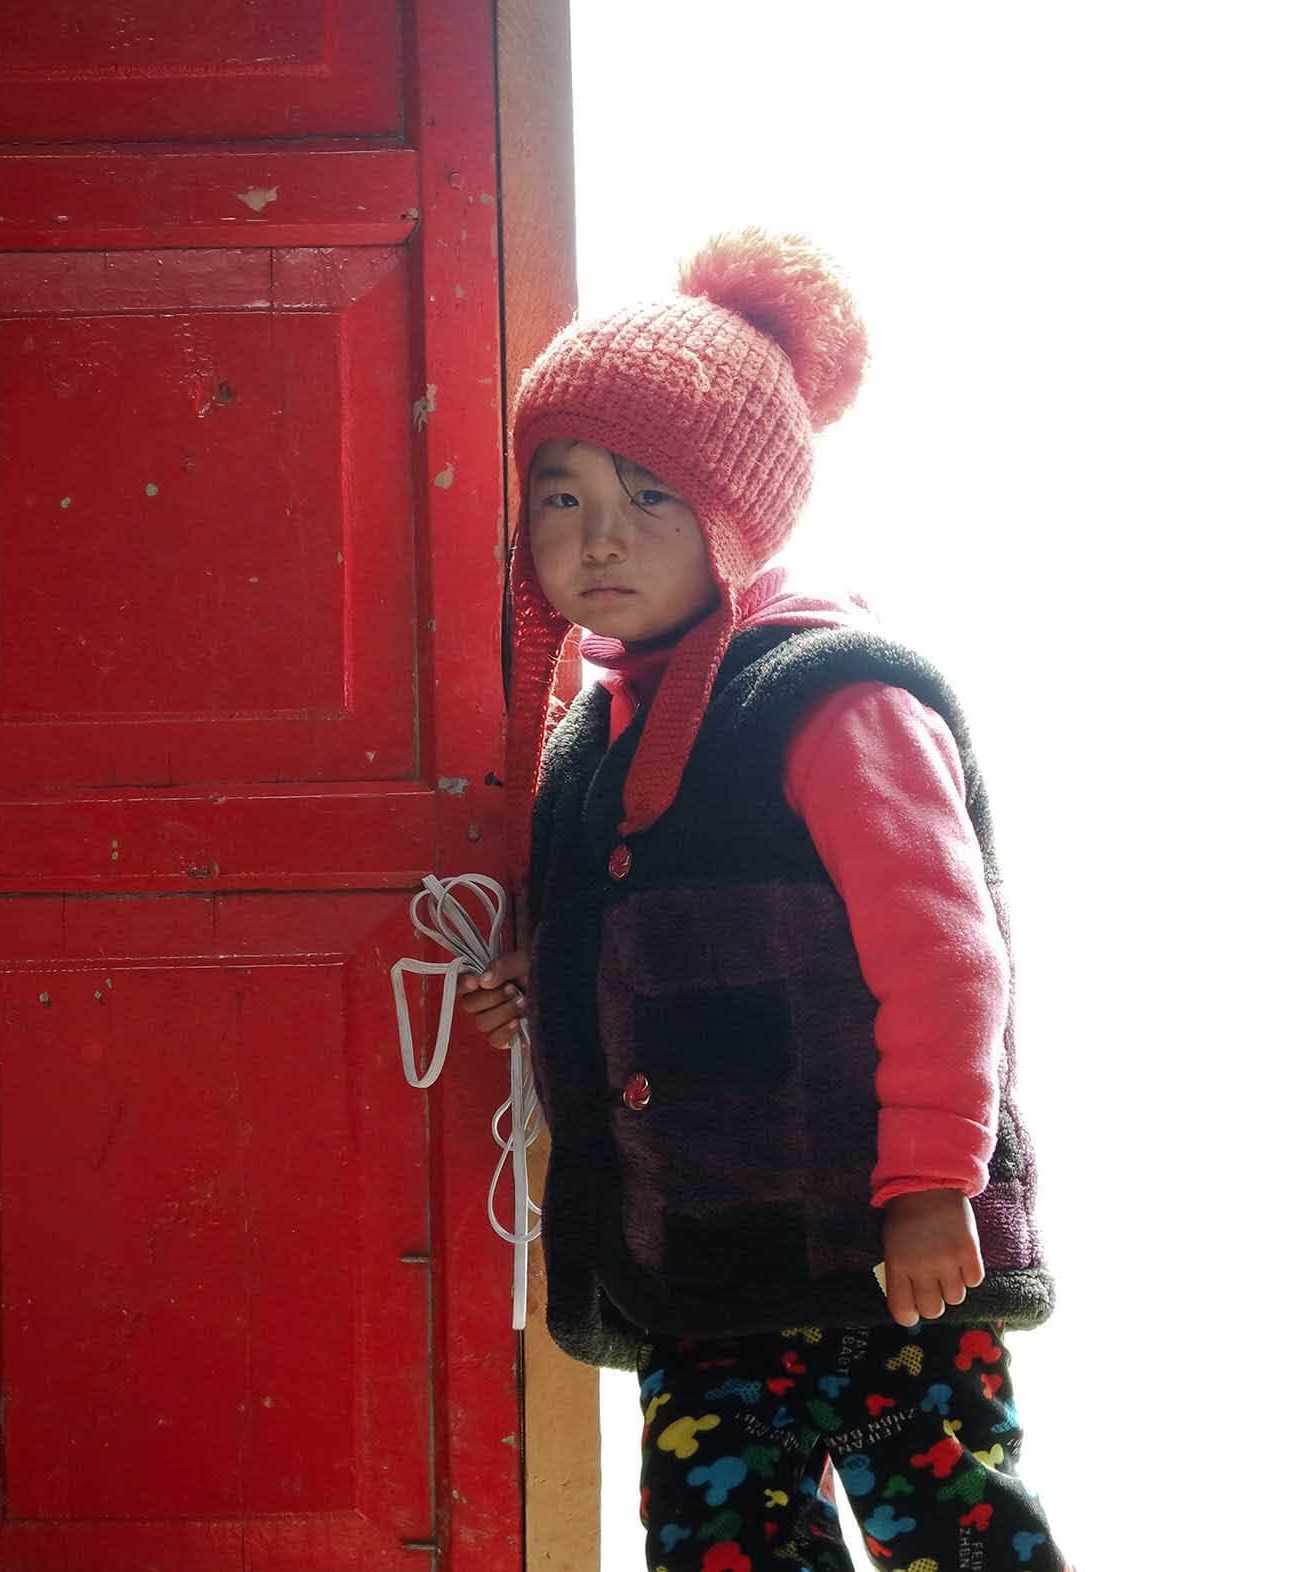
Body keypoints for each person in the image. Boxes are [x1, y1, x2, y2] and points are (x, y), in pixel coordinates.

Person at [461, 231, 1068, 1571]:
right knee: (720, 1546)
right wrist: (550, 989)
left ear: (738, 507)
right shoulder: (591, 735)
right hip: (699, 1267)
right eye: (560, 495)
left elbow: (946, 959)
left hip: (884, 1257)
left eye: (650, 494)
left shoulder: (832, 697)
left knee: (956, 1536)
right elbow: (643, 943)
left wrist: (931, 1185)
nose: (598, 536)